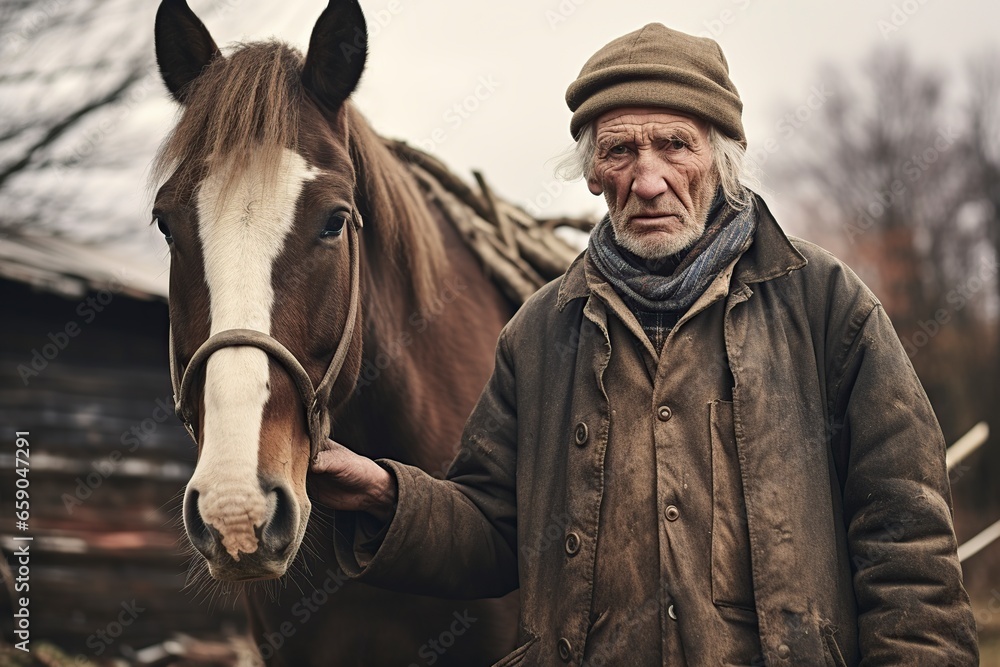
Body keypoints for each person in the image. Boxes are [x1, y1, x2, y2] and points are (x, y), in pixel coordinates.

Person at [308, 23, 979, 666]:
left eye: (675, 145)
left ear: (721, 160)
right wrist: (388, 496)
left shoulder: (828, 308)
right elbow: (495, 530)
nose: (648, 179)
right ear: (593, 173)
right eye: (620, 150)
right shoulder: (540, 335)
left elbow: (908, 547)